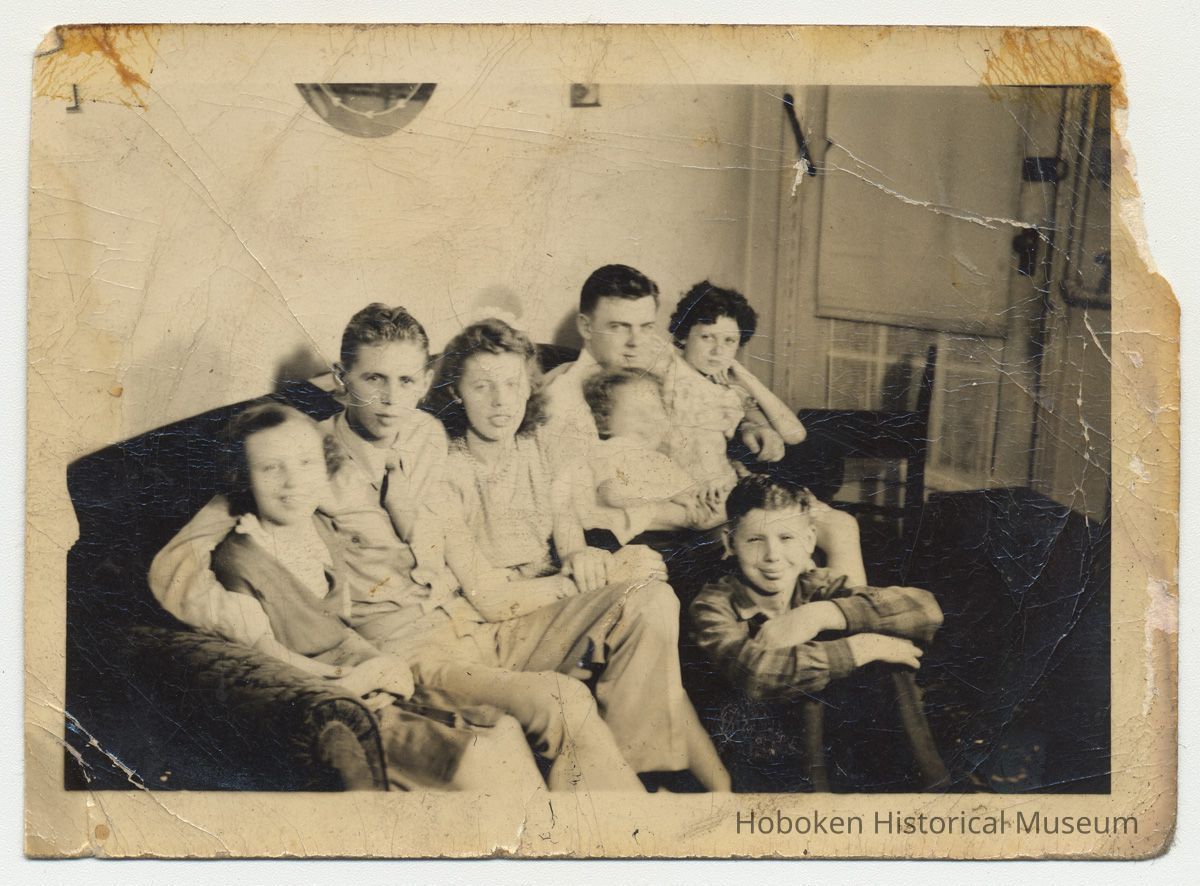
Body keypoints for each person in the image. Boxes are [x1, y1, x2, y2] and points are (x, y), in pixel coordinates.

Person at [149, 304, 703, 791]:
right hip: (412, 646)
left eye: (406, 381)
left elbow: (466, 547)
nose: (391, 400)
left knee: (644, 600)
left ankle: (633, 787)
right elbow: (174, 564)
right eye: (373, 379)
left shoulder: (426, 435)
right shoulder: (301, 456)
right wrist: (245, 625)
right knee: (562, 701)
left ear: (425, 381)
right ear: (341, 378)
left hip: (472, 620)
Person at [424, 317, 731, 791]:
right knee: (636, 592)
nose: (501, 401)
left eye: (512, 384)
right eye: (482, 386)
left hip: (541, 614)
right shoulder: (445, 466)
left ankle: (624, 771)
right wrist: (598, 575)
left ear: (529, 387)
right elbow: (489, 599)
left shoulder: (535, 446)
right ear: (456, 392)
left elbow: (566, 528)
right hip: (486, 631)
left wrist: (582, 556)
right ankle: (626, 787)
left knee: (652, 598)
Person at [207, 400, 542, 793]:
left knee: (503, 730)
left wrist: (379, 663)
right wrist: (353, 678)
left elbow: (342, 627)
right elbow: (266, 662)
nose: (293, 481)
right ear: (244, 477)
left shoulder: (318, 532)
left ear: (324, 467)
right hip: (332, 707)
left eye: (306, 463)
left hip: (374, 683)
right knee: (479, 758)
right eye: (270, 468)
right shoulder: (239, 558)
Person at [688, 474, 948, 791]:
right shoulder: (713, 604)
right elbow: (758, 675)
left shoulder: (816, 585)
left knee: (888, 661)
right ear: (730, 543)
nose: (772, 555)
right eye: (755, 540)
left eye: (786, 538)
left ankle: (930, 789)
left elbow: (926, 609)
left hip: (819, 743)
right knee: (842, 660)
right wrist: (861, 647)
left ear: (809, 541)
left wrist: (820, 614)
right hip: (755, 754)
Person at [540, 264, 788, 543]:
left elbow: (720, 388)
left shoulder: (651, 354)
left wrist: (752, 424)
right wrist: (688, 514)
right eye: (619, 327)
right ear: (586, 326)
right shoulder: (564, 398)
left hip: (702, 489)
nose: (636, 342)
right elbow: (576, 502)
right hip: (659, 526)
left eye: (646, 327)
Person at [582, 368, 733, 528]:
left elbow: (688, 490)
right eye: (637, 413)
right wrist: (670, 494)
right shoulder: (611, 450)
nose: (650, 420)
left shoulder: (659, 459)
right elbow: (613, 493)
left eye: (656, 410)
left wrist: (706, 495)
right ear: (603, 422)